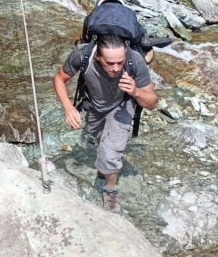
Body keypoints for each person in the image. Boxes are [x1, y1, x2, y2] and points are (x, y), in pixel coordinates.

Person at [53, 33, 158, 213]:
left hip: (122, 105)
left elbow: (153, 103)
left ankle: (110, 190)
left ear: (125, 53)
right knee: (92, 138)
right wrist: (68, 107)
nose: (116, 68)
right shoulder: (82, 54)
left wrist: (135, 91)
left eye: (120, 62)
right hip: (94, 104)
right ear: (97, 57)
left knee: (109, 154)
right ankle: (103, 158)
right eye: (110, 63)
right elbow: (60, 78)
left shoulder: (135, 60)